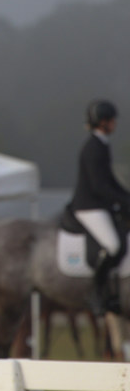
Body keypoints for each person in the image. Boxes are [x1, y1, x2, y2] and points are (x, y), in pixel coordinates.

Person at [68, 99, 129, 315]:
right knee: (112, 245)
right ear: (103, 122)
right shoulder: (93, 147)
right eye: (112, 120)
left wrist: (126, 196)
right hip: (89, 207)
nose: (115, 124)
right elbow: (99, 185)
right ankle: (96, 292)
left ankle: (112, 294)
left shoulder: (102, 144)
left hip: (99, 204)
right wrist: (121, 201)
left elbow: (110, 180)